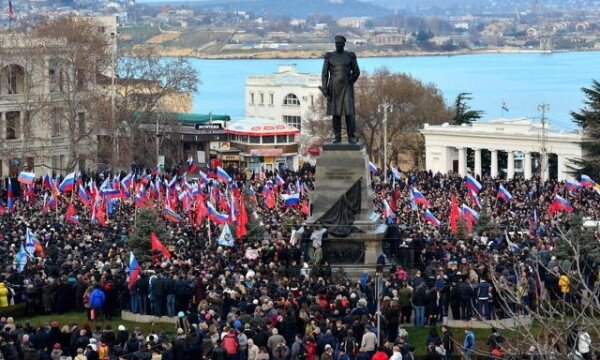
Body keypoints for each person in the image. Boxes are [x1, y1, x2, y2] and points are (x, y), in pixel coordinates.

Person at [320, 35, 360, 144]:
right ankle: (337, 137)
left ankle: (351, 136)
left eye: (339, 44)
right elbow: (324, 74)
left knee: (349, 113)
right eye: (336, 43)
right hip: (333, 88)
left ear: (343, 44)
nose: (337, 45)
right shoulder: (329, 56)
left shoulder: (350, 56)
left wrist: (350, 81)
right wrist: (324, 88)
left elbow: (356, 72)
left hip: (347, 88)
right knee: (335, 114)